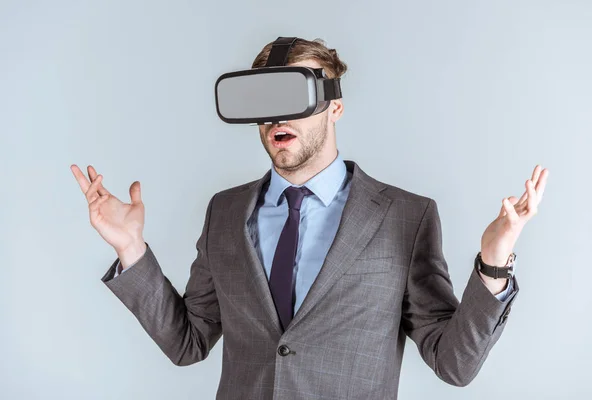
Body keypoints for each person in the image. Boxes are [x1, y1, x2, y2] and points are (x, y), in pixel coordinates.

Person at [71, 37, 549, 400]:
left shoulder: (406, 217)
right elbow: (188, 342)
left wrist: (494, 260)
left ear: (334, 106)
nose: (278, 117)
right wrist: (130, 249)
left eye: (294, 97)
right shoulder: (226, 211)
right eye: (264, 102)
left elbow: (453, 364)